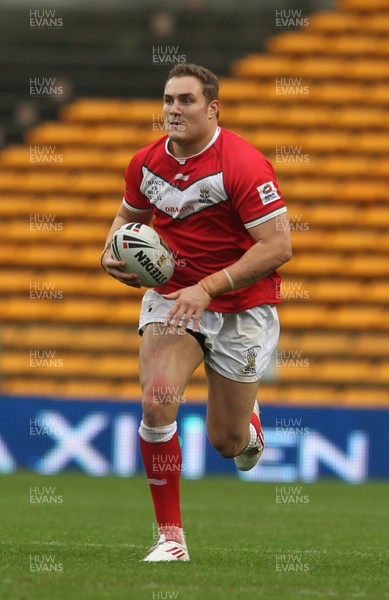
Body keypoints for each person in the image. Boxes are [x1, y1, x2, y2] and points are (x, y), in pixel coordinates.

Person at [101, 63, 292, 562]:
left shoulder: (244, 165)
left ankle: (247, 423)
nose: (173, 110)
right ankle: (171, 538)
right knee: (156, 401)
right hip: (172, 298)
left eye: (185, 101)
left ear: (213, 109)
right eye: (168, 100)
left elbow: (277, 247)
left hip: (239, 306)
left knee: (227, 445)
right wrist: (109, 251)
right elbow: (128, 217)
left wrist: (208, 287)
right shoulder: (145, 162)